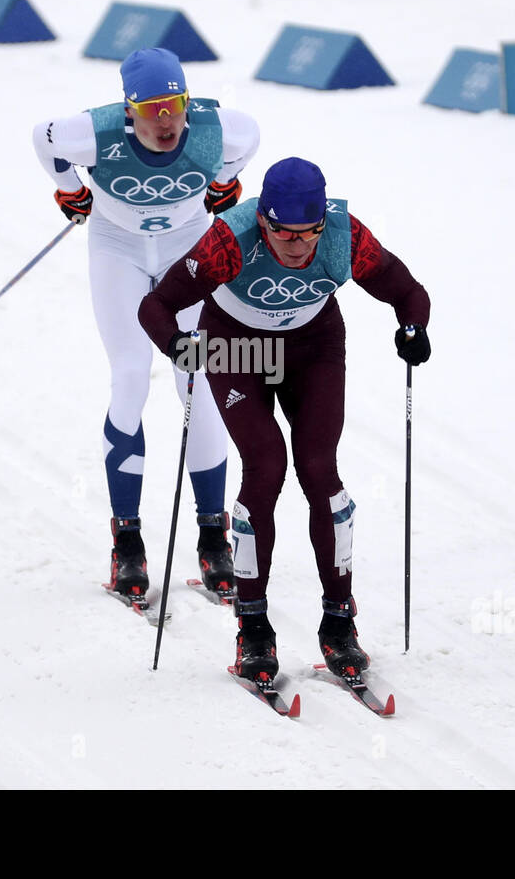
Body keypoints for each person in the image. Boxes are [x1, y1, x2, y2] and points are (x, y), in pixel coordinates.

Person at [137, 157, 432, 684]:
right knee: (266, 466)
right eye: (282, 233)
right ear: (263, 221)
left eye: (308, 234)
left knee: (320, 471)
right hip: (237, 345)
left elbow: (407, 290)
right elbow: (156, 306)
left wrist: (412, 327)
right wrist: (176, 344)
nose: (297, 246)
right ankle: (253, 628)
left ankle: (340, 622)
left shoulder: (346, 236)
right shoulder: (229, 240)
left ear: (322, 222)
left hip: (312, 345)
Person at [31, 47, 261, 607]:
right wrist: (71, 190)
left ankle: (213, 538)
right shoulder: (97, 131)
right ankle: (127, 541)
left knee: (200, 378)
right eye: (151, 108)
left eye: (174, 105)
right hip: (118, 252)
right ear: (127, 110)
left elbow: (250, 134)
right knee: (132, 376)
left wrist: (225, 182)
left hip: (187, 249)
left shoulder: (213, 128)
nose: (165, 120)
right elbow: (44, 136)